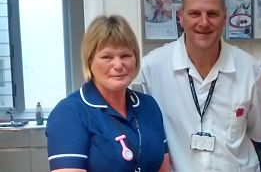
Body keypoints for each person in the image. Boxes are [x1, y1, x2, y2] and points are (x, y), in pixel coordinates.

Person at [141, 0, 261, 172]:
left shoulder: (249, 69)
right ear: (180, 17)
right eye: (194, 13)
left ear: (225, 18)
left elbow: (258, 136)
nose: (204, 22)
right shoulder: (152, 68)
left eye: (212, 13)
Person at [46, 15, 170, 172]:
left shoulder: (149, 106)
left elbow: (163, 167)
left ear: (136, 58)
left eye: (125, 55)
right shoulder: (69, 113)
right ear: (89, 61)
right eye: (107, 57)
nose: (118, 65)